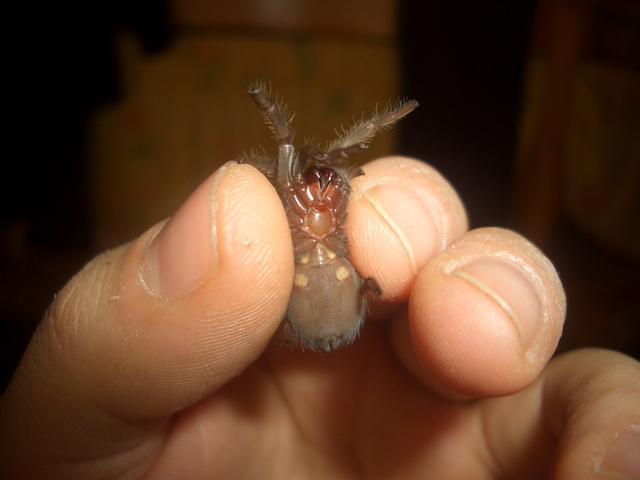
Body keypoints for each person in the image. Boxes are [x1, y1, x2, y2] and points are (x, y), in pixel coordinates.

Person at [0, 157, 638, 479]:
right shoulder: (304, 218)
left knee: (397, 229)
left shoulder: (337, 213)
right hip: (316, 306)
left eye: (333, 184)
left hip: (335, 305)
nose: (320, 192)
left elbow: (353, 202)